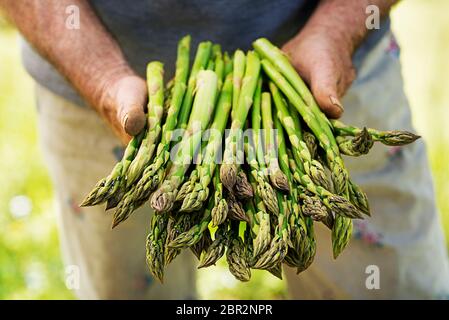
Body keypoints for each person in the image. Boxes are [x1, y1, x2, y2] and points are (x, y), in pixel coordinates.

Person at [1, 0, 448, 299]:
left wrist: (338, 28)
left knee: (393, 288)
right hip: (87, 68)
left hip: (326, 74)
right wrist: (99, 75)